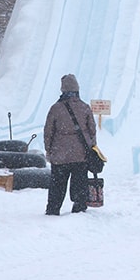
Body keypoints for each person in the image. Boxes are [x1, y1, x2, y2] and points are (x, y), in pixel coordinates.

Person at [43, 74, 96, 215]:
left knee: (57, 185)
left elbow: (48, 131)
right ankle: (79, 208)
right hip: (80, 154)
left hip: (59, 155)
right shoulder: (84, 107)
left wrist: (49, 150)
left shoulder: (56, 108)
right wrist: (91, 147)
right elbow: (92, 130)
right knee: (80, 184)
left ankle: (53, 210)